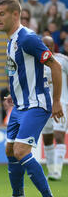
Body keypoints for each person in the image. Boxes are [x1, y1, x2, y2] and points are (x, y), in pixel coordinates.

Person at [0, 0, 63, 197]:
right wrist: (12, 94)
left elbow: (55, 66)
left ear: (16, 14)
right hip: (19, 106)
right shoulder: (10, 41)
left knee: (21, 150)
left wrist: (57, 101)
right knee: (10, 150)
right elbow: (15, 71)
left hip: (36, 104)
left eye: (1, 14)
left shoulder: (27, 38)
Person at [41, 36, 68, 181]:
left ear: (53, 46)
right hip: (44, 105)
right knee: (47, 138)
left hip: (61, 103)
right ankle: (51, 171)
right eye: (43, 44)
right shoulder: (36, 63)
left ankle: (57, 171)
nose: (46, 47)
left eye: (48, 45)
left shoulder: (63, 60)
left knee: (59, 135)